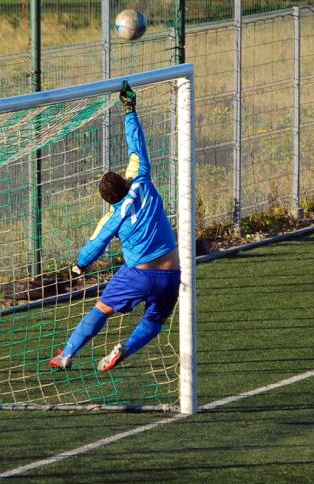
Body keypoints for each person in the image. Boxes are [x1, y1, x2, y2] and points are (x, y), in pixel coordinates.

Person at [49, 81, 181, 372]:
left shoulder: (113, 216)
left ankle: (67, 355)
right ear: (125, 180)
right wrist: (129, 108)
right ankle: (126, 349)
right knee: (154, 322)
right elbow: (137, 145)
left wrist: (79, 267)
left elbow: (95, 245)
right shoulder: (142, 178)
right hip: (172, 272)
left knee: (102, 309)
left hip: (139, 275)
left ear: (108, 200)